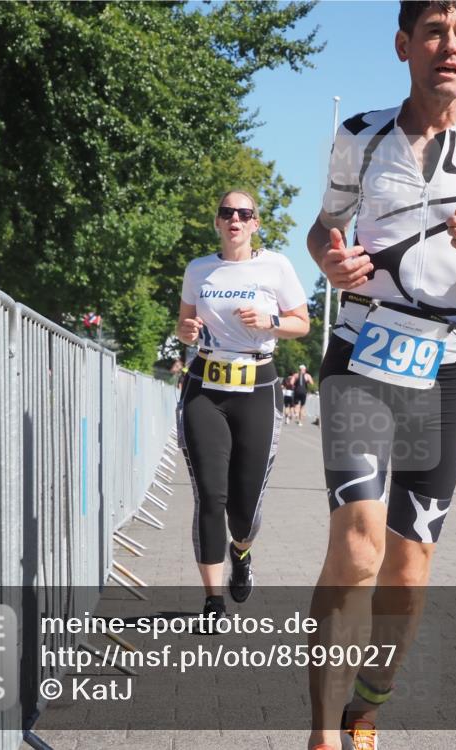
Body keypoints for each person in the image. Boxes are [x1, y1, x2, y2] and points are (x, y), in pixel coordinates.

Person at [304, 2, 456, 748]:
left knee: (407, 575)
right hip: (360, 357)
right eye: (436, 32)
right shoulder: (360, 137)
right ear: (404, 45)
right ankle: (321, 734)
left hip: (445, 375)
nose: (449, 46)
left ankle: (368, 704)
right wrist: (328, 259)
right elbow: (324, 227)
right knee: (356, 546)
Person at [176, 190, 309, 623]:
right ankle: (213, 602)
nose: (235, 219)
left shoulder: (277, 266)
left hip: (257, 389)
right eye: (227, 213)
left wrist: (270, 321)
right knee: (210, 498)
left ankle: (243, 551)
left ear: (255, 224)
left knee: (244, 508)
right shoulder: (199, 270)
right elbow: (183, 327)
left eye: (244, 214)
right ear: (217, 222)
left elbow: (301, 323)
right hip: (206, 389)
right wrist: (188, 330)